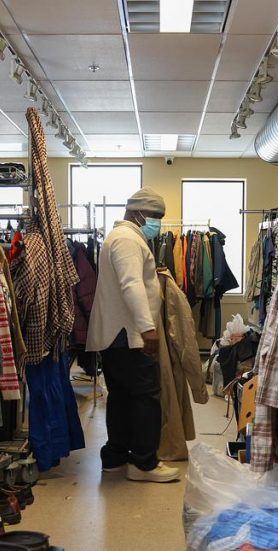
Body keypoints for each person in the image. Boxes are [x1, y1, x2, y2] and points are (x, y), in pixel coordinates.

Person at [86, 187, 180, 483]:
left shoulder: (120, 237)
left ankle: (115, 457)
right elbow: (131, 285)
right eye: (155, 216)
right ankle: (144, 463)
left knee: (122, 398)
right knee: (145, 397)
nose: (158, 223)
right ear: (137, 212)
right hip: (129, 335)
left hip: (117, 335)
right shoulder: (127, 240)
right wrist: (148, 328)